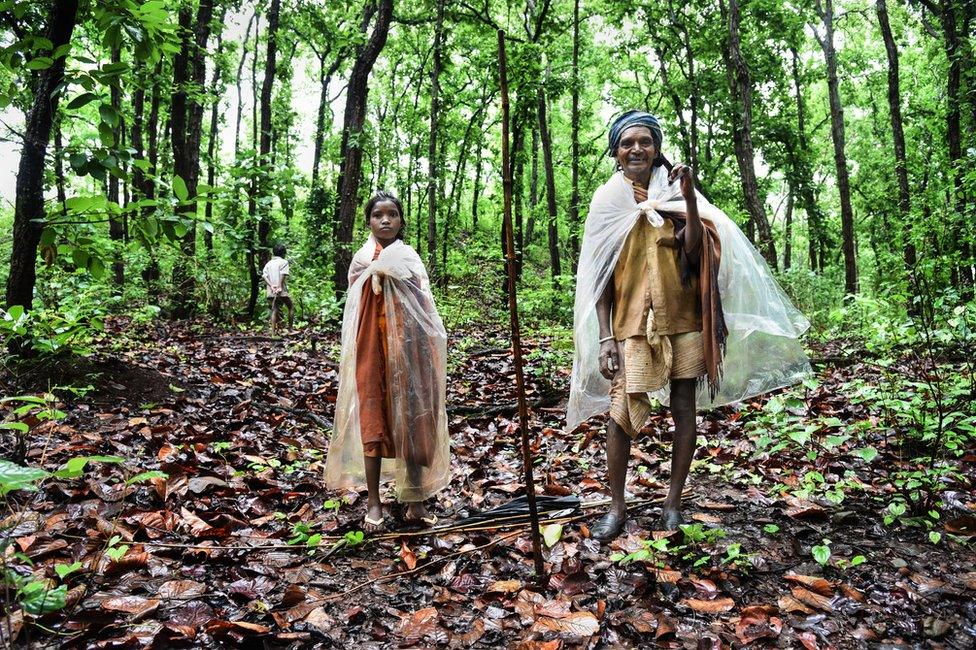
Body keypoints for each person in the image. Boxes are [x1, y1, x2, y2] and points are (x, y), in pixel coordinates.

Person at [567, 110, 811, 541]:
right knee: (621, 413)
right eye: (627, 143)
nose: (636, 149)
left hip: (683, 321)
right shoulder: (607, 202)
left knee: (684, 409)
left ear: (657, 147)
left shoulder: (676, 194)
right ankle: (617, 506)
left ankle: (673, 503)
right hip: (631, 325)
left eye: (645, 141)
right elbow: (600, 277)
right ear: (616, 153)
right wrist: (605, 335)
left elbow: (697, 250)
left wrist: (690, 197)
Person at [324, 191, 451, 531]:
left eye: (392, 214)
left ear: (400, 221)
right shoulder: (361, 259)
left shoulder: (409, 257)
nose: (385, 220)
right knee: (373, 417)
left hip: (408, 349)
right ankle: (374, 501)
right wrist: (377, 271)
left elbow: (423, 304)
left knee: (411, 418)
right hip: (372, 347)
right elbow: (356, 305)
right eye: (378, 214)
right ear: (368, 221)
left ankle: (414, 499)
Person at [262, 243, 294, 332]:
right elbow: (282, 274)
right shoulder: (284, 262)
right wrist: (279, 286)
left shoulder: (269, 263)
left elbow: (264, 276)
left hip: (272, 290)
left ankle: (272, 333)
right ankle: (290, 329)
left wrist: (272, 286)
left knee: (274, 309)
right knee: (291, 307)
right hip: (281, 290)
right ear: (284, 253)